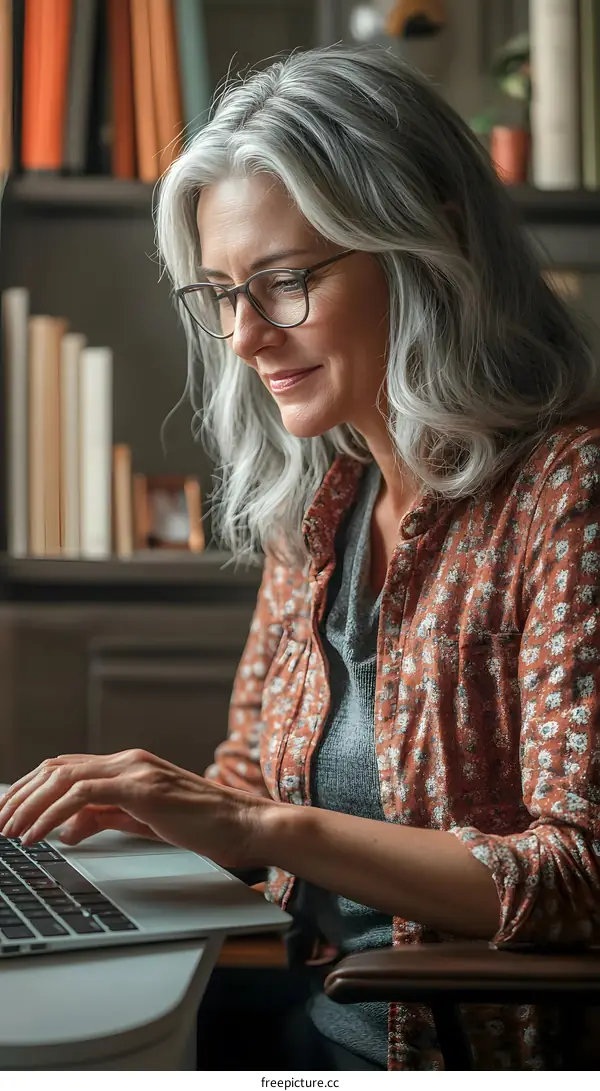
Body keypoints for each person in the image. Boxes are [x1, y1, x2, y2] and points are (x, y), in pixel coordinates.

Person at [1, 44, 599, 1070]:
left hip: (415, 1049)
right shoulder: (323, 495)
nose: (243, 337)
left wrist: (258, 821)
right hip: (289, 1008)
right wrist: (131, 816)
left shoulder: (567, 494)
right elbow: (251, 779)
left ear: (426, 243)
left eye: (282, 283)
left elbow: (576, 870)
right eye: (221, 293)